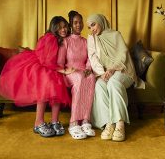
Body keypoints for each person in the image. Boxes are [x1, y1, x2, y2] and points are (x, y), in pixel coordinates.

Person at [0, 16, 71, 138]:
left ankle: (54, 121)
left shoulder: (61, 40)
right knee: (47, 84)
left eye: (65, 27)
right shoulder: (50, 38)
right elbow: (46, 61)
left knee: (58, 86)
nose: (63, 30)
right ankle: (38, 122)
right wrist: (63, 70)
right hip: (42, 66)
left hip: (52, 67)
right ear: (54, 28)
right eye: (60, 27)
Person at [86, 14, 138, 142]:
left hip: (123, 70)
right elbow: (94, 58)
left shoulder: (116, 35)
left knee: (113, 83)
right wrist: (103, 73)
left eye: (93, 24)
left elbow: (123, 55)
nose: (92, 29)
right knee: (99, 84)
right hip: (107, 72)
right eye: (89, 27)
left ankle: (120, 124)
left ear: (100, 22)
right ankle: (109, 123)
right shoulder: (93, 39)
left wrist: (112, 69)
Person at [57, 10, 96, 140]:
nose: (78, 25)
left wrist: (89, 68)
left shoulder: (86, 42)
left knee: (90, 78)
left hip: (83, 70)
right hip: (70, 72)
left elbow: (90, 58)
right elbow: (60, 63)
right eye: (75, 22)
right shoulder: (65, 41)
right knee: (79, 78)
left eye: (80, 22)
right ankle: (73, 122)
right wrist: (67, 71)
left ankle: (85, 120)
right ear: (71, 25)